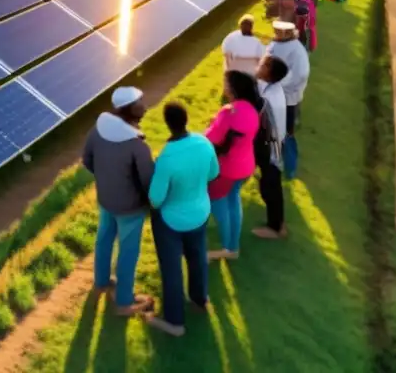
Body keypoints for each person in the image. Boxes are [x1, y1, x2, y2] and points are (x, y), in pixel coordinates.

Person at [143, 103, 220, 337]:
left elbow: (155, 200)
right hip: (200, 213)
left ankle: (174, 322)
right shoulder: (204, 143)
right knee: (197, 257)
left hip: (172, 221)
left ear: (167, 123)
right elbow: (213, 174)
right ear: (186, 119)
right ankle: (199, 299)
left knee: (172, 268)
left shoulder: (166, 158)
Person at [83, 86, 155, 315]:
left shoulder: (97, 129)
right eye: (139, 103)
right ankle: (124, 301)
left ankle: (101, 281)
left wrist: (107, 179)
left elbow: (87, 160)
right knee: (128, 251)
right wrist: (150, 203)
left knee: (104, 239)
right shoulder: (137, 144)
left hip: (106, 199)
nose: (144, 107)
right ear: (129, 109)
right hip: (130, 208)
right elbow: (148, 180)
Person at [205, 71, 262, 261]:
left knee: (219, 204)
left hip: (227, 169)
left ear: (234, 88)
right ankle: (232, 245)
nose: (225, 87)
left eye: (226, 84)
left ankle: (228, 249)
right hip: (246, 166)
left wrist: (212, 124)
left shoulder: (228, 111)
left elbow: (210, 139)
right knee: (233, 200)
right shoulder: (253, 109)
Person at [252, 55, 290, 239]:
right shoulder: (270, 88)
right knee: (270, 183)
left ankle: (275, 228)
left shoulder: (270, 99)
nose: (259, 65)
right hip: (269, 144)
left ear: (268, 71)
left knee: (270, 185)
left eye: (263, 64)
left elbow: (269, 129)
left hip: (271, 147)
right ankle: (278, 224)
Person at [267, 21, 311, 180]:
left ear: (287, 34)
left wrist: (279, 84)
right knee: (272, 131)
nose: (276, 34)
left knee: (287, 133)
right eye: (275, 31)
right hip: (272, 97)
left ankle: (290, 167)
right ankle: (274, 162)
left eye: (279, 32)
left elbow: (300, 75)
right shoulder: (274, 44)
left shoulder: (297, 50)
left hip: (288, 100)